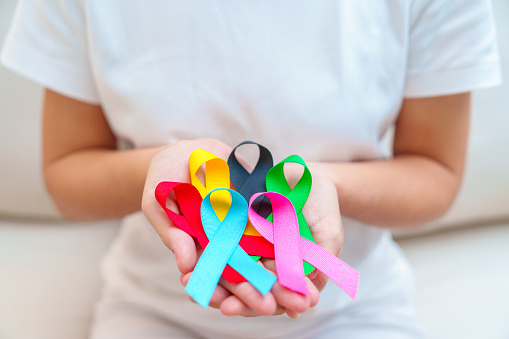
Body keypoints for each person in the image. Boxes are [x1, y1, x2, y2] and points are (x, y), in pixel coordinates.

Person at [1, 0, 501, 338]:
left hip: (351, 314)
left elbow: (435, 171)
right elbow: (68, 176)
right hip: (154, 311)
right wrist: (163, 176)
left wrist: (329, 183)